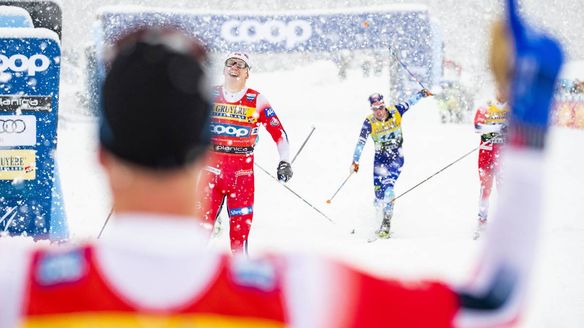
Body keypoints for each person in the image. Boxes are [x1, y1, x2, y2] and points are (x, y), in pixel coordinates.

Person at [0, 0, 565, 323]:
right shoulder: (296, 289)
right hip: (225, 192)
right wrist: (529, 123)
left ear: (99, 153)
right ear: (203, 142)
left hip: (241, 170)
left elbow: (278, 131)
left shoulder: (18, 285)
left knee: (237, 228)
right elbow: (494, 305)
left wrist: (285, 158)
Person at [199, 51, 292, 254]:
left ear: (247, 73)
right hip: (211, 172)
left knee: (239, 241)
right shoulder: (209, 95)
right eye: (231, 63)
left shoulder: (256, 99)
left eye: (241, 65)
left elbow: (279, 134)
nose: (235, 67)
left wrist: (284, 161)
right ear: (224, 69)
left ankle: (240, 280)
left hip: (241, 176)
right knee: (198, 234)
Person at [350, 88, 431, 239]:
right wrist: (355, 160)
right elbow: (361, 142)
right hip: (379, 161)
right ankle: (377, 220)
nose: (379, 112)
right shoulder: (370, 122)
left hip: (396, 159)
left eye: (380, 107)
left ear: (384, 105)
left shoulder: (396, 111)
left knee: (388, 189)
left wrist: (421, 94)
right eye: (375, 109)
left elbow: (410, 102)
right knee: (379, 195)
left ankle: (386, 223)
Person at [473, 90, 509, 239]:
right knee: (485, 188)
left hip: (504, 155)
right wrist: (497, 127)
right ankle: (482, 219)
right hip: (486, 154)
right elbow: (477, 127)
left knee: (504, 189)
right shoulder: (486, 106)